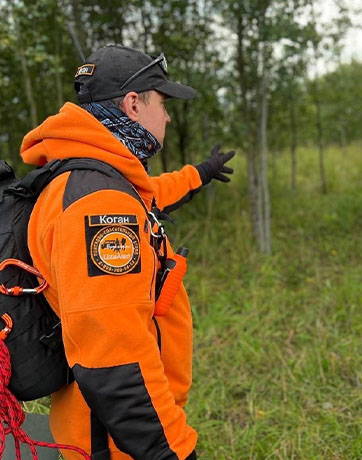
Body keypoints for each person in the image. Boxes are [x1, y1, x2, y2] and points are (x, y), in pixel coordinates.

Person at [20, 45, 234, 460]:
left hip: (106, 429)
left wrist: (200, 174)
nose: (168, 117)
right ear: (134, 104)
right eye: (163, 103)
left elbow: (149, 198)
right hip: (115, 444)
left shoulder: (91, 175)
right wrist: (171, 453)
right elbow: (117, 364)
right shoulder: (100, 207)